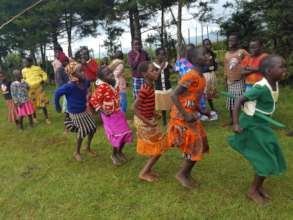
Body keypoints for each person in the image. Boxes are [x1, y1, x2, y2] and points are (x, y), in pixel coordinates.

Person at [229, 55, 287, 204]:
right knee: (265, 157)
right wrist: (236, 124)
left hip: (262, 125)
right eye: (281, 67)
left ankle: (258, 186)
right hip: (251, 124)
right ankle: (253, 190)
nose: (284, 70)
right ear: (269, 70)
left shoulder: (273, 83)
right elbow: (239, 101)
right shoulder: (260, 88)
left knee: (270, 152)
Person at [168, 47, 210, 189]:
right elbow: (174, 95)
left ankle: (185, 173)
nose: (208, 56)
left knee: (202, 144)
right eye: (203, 54)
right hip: (181, 116)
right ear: (194, 60)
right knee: (194, 145)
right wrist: (185, 114)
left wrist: (202, 110)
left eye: (207, 53)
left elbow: (192, 98)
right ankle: (182, 174)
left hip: (191, 115)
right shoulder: (190, 75)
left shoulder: (202, 78)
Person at [134, 61, 169, 182]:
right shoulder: (145, 89)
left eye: (155, 70)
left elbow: (146, 104)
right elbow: (134, 108)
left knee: (156, 146)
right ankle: (143, 173)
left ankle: (148, 170)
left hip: (148, 119)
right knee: (158, 148)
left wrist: (153, 113)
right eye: (152, 70)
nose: (155, 72)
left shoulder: (151, 84)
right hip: (144, 122)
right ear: (144, 74)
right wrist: (148, 122)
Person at [54, 61, 97, 161]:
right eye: (80, 71)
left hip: (84, 110)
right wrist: (57, 106)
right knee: (83, 130)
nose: (83, 72)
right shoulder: (69, 86)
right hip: (75, 112)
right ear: (72, 74)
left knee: (93, 128)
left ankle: (87, 147)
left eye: (83, 70)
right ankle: (76, 152)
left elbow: (88, 84)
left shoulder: (84, 82)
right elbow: (57, 93)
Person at [90, 67, 132, 166]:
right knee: (117, 135)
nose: (110, 75)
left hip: (118, 112)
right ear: (102, 78)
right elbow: (93, 100)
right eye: (107, 74)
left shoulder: (115, 83)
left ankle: (119, 152)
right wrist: (103, 110)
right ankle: (113, 155)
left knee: (126, 132)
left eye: (110, 73)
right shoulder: (101, 87)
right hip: (108, 116)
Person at [224, 33, 249, 125]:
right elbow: (226, 68)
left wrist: (245, 69)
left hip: (239, 81)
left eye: (233, 40)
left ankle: (243, 119)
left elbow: (250, 60)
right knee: (230, 101)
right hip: (230, 81)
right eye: (229, 40)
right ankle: (232, 119)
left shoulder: (242, 52)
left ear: (237, 42)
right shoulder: (227, 54)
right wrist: (225, 82)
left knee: (241, 101)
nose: (230, 42)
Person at [22, 56, 50, 124]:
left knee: (42, 103)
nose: (24, 63)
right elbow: (24, 79)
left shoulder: (37, 68)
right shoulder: (23, 70)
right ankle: (34, 118)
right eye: (24, 62)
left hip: (39, 88)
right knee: (32, 104)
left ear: (30, 62)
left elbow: (44, 74)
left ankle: (46, 118)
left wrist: (43, 80)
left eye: (26, 62)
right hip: (30, 90)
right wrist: (24, 84)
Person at [153, 48, 173, 126]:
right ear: (157, 56)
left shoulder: (167, 64)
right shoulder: (154, 65)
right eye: (161, 54)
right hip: (159, 88)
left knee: (171, 104)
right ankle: (164, 119)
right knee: (162, 105)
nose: (163, 56)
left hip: (168, 87)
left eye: (164, 54)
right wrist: (161, 67)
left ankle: (172, 118)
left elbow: (173, 70)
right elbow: (155, 77)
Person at [202, 39, 218, 117]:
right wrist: (207, 69)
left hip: (212, 75)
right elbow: (201, 67)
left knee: (210, 93)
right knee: (204, 93)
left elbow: (215, 63)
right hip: (205, 75)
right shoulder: (202, 55)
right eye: (206, 44)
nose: (207, 46)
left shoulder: (212, 53)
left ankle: (212, 108)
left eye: (209, 44)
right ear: (203, 46)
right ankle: (203, 109)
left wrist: (215, 67)